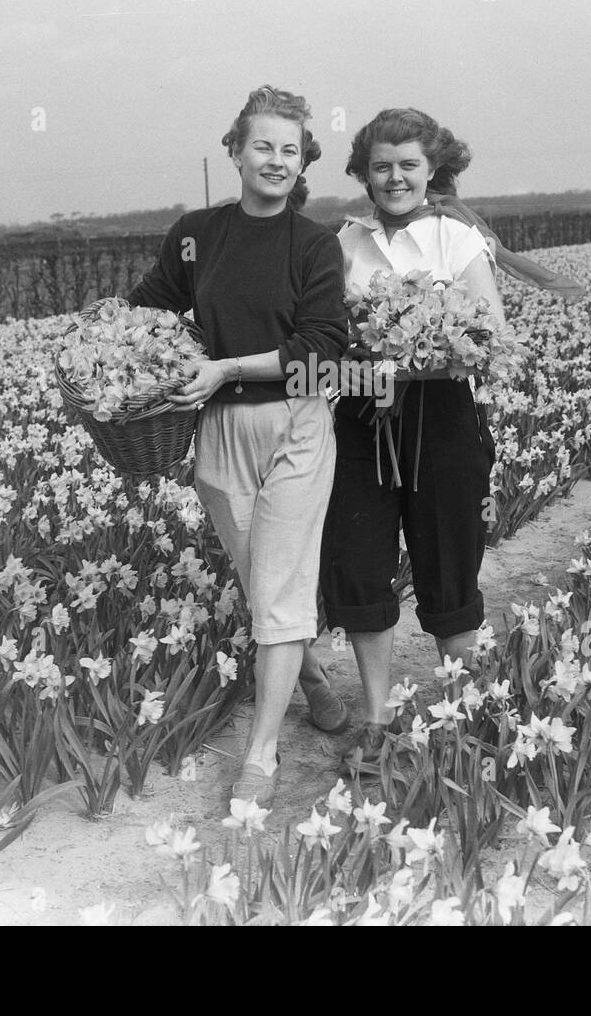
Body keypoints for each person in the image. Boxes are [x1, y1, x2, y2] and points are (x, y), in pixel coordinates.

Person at [127, 84, 349, 806]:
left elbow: (322, 352)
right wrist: (113, 355)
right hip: (217, 430)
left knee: (279, 587)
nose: (277, 160)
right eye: (263, 146)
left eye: (291, 149)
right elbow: (149, 309)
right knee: (264, 582)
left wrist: (225, 365)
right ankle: (310, 674)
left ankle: (261, 755)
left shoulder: (313, 244)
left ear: (303, 160)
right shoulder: (196, 234)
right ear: (235, 151)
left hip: (295, 425)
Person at [320, 108, 510, 770]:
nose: (394, 177)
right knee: (362, 567)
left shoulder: (456, 238)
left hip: (444, 421)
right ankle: (378, 720)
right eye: (381, 166)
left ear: (433, 169)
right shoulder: (344, 242)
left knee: (449, 573)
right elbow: (320, 343)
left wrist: (420, 351)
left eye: (408, 164)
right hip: (362, 421)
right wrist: (370, 359)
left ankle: (471, 715)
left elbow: (489, 336)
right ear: (364, 174)